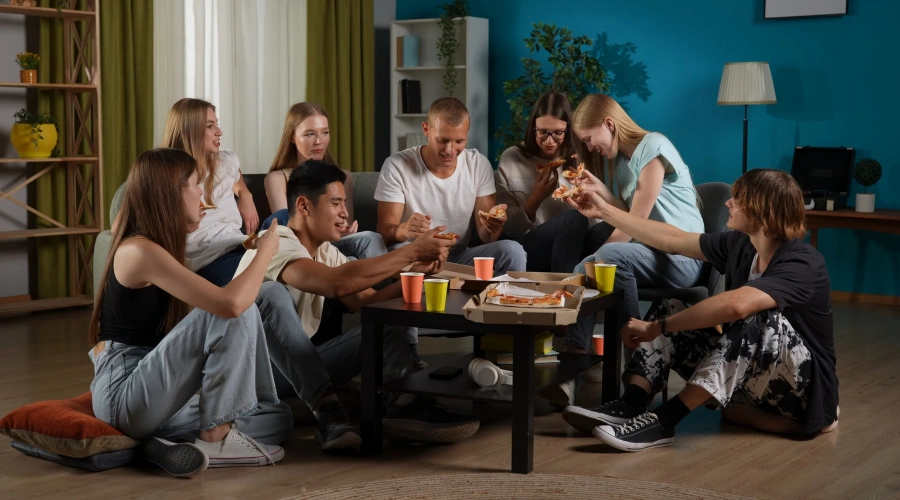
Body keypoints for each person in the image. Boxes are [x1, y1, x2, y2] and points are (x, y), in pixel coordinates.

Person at [561, 168, 839, 451]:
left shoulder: (804, 262)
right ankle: (631, 404)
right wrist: (604, 211)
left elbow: (736, 305)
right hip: (752, 382)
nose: (729, 203)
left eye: (738, 199)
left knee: (757, 316)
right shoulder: (740, 245)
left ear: (762, 210)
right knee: (669, 306)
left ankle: (663, 422)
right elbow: (672, 239)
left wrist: (658, 328)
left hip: (802, 391)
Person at [234, 160, 481, 445]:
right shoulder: (274, 241)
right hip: (254, 374)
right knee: (271, 294)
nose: (345, 213)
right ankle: (328, 411)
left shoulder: (325, 252)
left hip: (301, 368)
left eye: (344, 203)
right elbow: (335, 283)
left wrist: (416, 272)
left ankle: (402, 405)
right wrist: (409, 251)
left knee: (384, 324)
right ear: (304, 206)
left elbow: (369, 303)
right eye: (336, 204)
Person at [89, 148, 288, 479]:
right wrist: (265, 252)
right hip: (125, 392)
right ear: (170, 193)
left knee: (277, 419)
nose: (202, 194)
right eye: (195, 184)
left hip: (153, 393)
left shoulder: (164, 246)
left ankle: (154, 443)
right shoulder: (139, 251)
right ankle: (215, 440)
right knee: (237, 308)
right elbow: (229, 306)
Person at [540, 94, 706, 407]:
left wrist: (591, 263)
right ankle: (576, 365)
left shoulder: (652, 147)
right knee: (595, 265)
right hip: (652, 253)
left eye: (589, 139)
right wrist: (600, 198)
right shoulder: (622, 162)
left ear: (609, 124)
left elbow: (635, 222)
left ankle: (636, 365)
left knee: (601, 261)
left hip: (684, 256)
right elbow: (630, 214)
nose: (590, 147)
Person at [375, 97, 527, 365]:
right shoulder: (398, 165)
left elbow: (485, 234)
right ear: (426, 130)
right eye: (442, 140)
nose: (450, 150)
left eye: (459, 141)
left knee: (512, 250)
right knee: (401, 253)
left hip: (460, 256)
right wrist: (405, 230)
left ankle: (502, 341)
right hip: (417, 255)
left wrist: (494, 226)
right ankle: (407, 351)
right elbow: (384, 233)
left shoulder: (477, 164)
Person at [496, 91, 613, 273]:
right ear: (532, 128)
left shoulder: (579, 157)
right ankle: (565, 290)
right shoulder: (512, 158)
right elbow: (510, 230)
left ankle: (599, 296)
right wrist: (536, 198)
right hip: (530, 250)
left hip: (572, 248)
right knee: (573, 218)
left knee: (608, 228)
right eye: (542, 132)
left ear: (568, 131)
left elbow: (595, 223)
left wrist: (587, 195)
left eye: (558, 133)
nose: (549, 141)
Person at [261, 102, 386, 261]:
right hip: (298, 248)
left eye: (325, 132)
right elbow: (289, 228)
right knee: (353, 261)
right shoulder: (277, 179)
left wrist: (343, 229)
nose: (319, 141)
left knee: (370, 238)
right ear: (292, 136)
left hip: (334, 244)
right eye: (309, 134)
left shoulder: (342, 178)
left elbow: (342, 222)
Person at [160, 98, 259, 286]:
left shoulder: (224, 161)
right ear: (189, 130)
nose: (219, 132)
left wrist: (246, 195)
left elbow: (236, 177)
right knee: (275, 275)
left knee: (287, 247)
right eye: (210, 126)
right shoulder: (165, 174)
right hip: (208, 258)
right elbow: (124, 224)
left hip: (239, 243)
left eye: (217, 124)